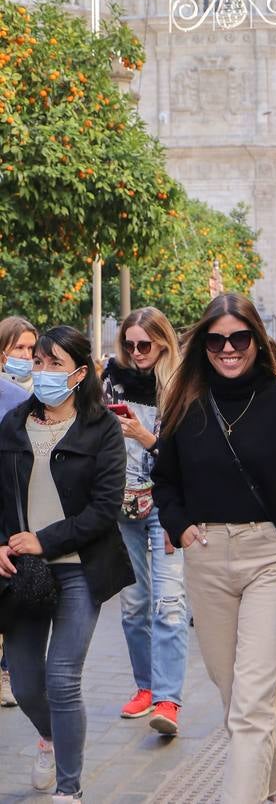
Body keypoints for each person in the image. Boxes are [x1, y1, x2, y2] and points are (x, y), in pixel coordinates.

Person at [152, 293, 276, 804]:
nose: (228, 349)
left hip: (270, 554)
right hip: (205, 554)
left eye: (239, 338)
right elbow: (165, 480)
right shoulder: (183, 400)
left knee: (251, 707)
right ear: (203, 344)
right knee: (233, 696)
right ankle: (264, 787)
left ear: (257, 339)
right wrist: (180, 527)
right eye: (217, 339)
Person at [0, 325, 134, 803]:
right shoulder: (13, 424)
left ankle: (69, 789)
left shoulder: (102, 430)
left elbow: (103, 508)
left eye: (54, 364)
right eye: (38, 361)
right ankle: (51, 738)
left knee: (61, 677)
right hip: (21, 572)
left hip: (79, 568)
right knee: (27, 681)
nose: (42, 371)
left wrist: (44, 540)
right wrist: (4, 544)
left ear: (79, 373)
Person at [102, 306, 188, 736]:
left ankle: (168, 699)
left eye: (145, 345)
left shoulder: (182, 385)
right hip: (123, 505)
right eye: (130, 344)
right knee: (134, 604)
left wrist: (145, 437)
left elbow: (188, 455)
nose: (137, 353)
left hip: (165, 504)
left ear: (163, 343)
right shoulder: (110, 380)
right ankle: (146, 686)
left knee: (169, 604)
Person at [0, 329, 30, 708]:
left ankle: (8, 670)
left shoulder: (22, 400)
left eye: (29, 348)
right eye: (18, 347)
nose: (24, 355)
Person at [0, 315, 37, 395]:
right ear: (2, 350)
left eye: (31, 348)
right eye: (19, 348)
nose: (27, 356)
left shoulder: (43, 390)